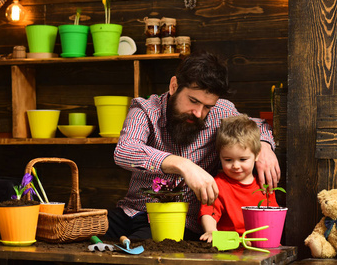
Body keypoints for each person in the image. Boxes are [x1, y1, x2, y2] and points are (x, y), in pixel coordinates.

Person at [107, 51, 280, 241]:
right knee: (76, 235)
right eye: (193, 101)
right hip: (130, 211)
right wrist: (184, 166)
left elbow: (257, 125)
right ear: (174, 86)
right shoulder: (145, 109)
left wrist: (264, 146)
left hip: (179, 222)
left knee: (135, 253)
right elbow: (125, 150)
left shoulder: (222, 111)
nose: (198, 113)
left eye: (207, 106)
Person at [199, 114, 279, 243]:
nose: (235, 166)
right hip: (231, 245)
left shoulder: (264, 185)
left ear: (257, 155)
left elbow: (273, 218)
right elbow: (209, 212)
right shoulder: (218, 185)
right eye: (228, 160)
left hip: (260, 244)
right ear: (220, 156)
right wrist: (211, 231)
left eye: (243, 159)